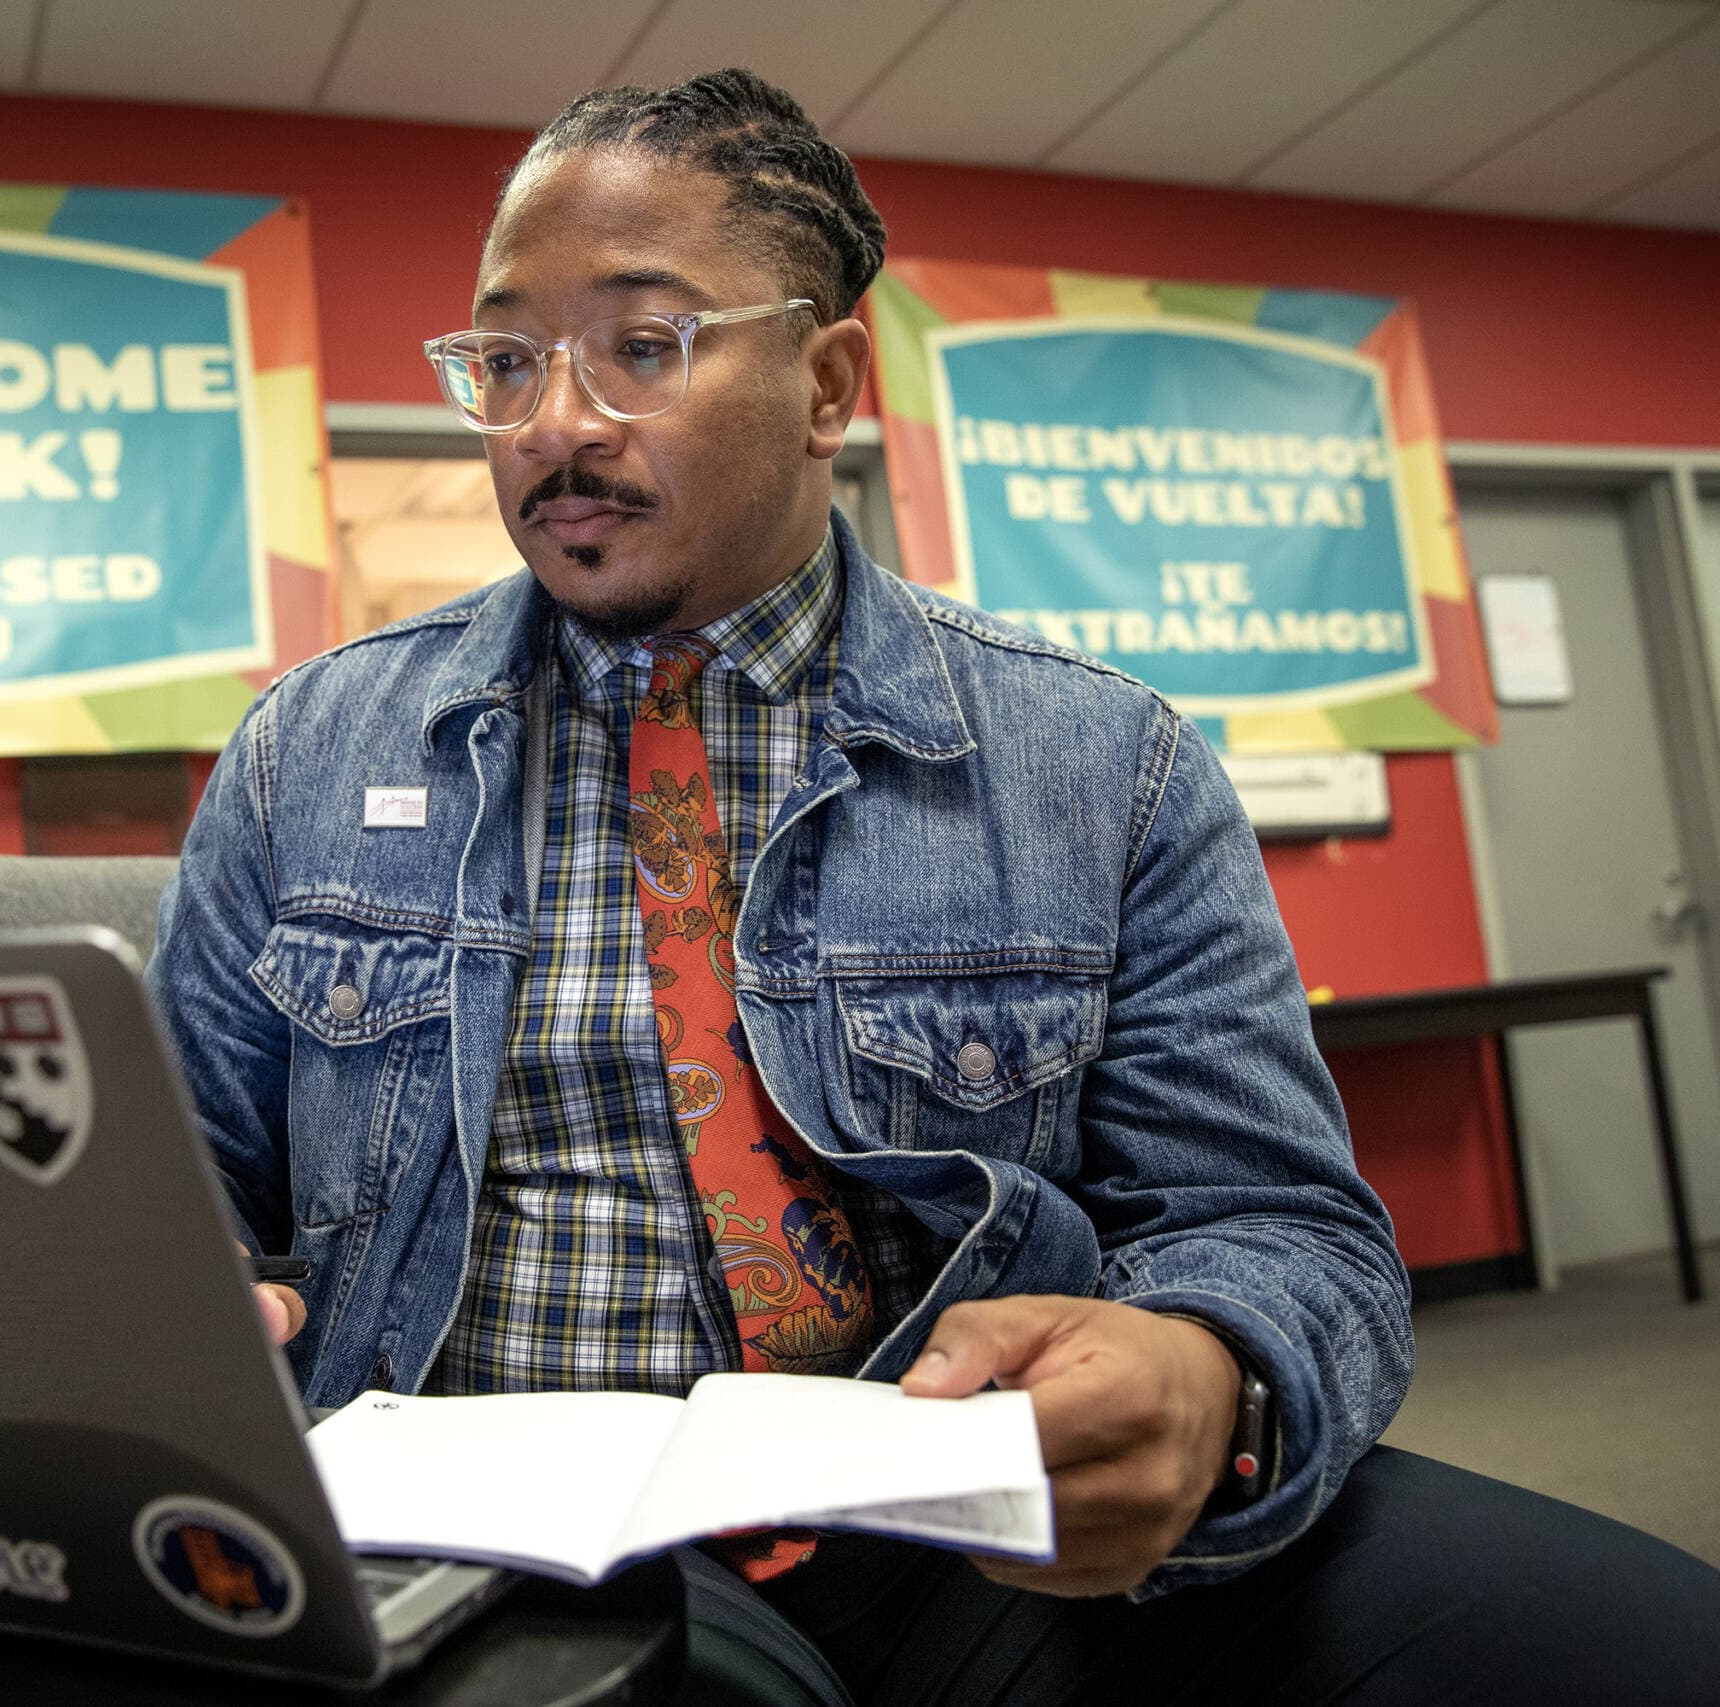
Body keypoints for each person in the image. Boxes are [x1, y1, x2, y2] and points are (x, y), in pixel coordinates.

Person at [148, 68, 1720, 1704]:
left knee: (1644, 1644)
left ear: (828, 380)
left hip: (952, 1523)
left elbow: (1278, 1223)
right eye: (508, 357)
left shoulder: (1101, 762)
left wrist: (1211, 1367)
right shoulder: (306, 756)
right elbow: (181, 1196)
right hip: (478, 1555)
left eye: (641, 343)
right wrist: (186, 1312)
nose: (554, 423)